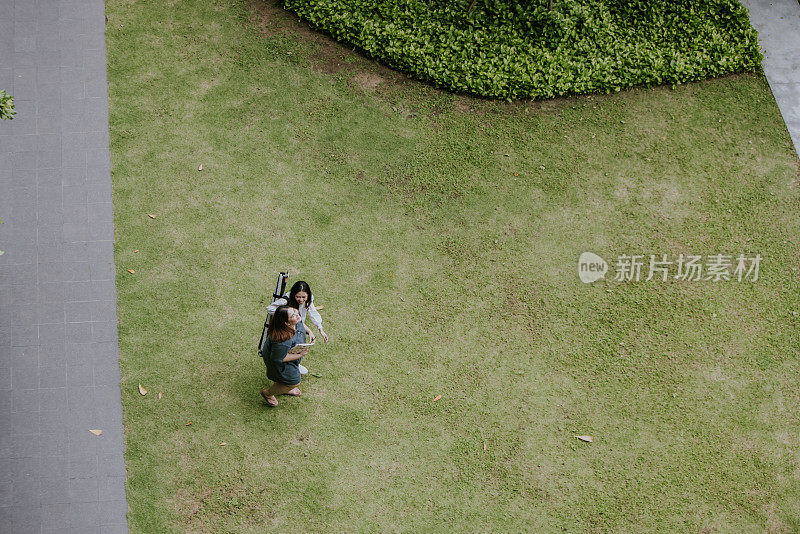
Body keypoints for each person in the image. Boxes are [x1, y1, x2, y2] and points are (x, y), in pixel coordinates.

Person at [267, 280, 327, 375]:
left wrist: (320, 329)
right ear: (293, 295)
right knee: (286, 345)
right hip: (288, 326)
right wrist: (285, 315)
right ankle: (285, 367)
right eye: (298, 297)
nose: (301, 300)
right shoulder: (287, 300)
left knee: (298, 343)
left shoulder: (309, 299)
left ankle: (294, 363)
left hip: (298, 324)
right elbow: (270, 308)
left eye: (304, 297)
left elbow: (312, 312)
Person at [261, 305, 308, 407]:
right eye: (292, 315)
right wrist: (300, 354)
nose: (297, 314)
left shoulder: (295, 320)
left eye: (294, 311)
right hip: (279, 362)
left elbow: (301, 323)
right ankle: (268, 394)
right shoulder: (282, 341)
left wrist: (310, 332)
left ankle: (285, 388)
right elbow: (279, 358)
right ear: (287, 323)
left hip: (286, 356)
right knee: (294, 383)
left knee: (290, 381)